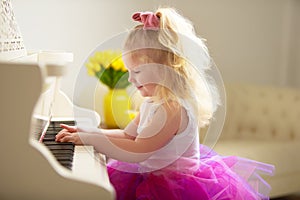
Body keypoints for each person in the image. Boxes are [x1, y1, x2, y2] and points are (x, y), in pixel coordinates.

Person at [56, 7, 274, 200]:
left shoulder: (172, 108)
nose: (131, 79)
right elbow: (128, 135)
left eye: (137, 71)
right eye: (129, 72)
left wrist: (90, 140)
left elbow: (139, 150)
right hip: (150, 176)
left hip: (176, 187)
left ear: (167, 67)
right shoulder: (152, 102)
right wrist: (89, 132)